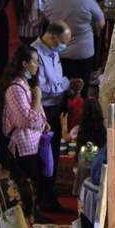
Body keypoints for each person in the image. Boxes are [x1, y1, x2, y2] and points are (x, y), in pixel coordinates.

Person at [31, 20, 78, 212]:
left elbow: (56, 79)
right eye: (63, 42)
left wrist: (67, 86)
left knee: (53, 156)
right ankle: (42, 199)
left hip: (56, 107)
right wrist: (64, 85)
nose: (64, 46)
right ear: (52, 37)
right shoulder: (35, 54)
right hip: (44, 111)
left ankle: (50, 196)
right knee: (44, 157)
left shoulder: (53, 51)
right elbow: (40, 87)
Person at [0, 45, 47, 198]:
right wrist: (38, 98)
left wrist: (43, 121)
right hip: (23, 147)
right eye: (35, 62)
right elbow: (27, 121)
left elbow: (36, 115)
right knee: (24, 189)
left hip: (33, 144)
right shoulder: (15, 89)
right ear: (24, 64)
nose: (38, 65)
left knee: (34, 187)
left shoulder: (27, 85)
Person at [43, 0, 104, 80]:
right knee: (82, 86)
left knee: (61, 87)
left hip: (59, 53)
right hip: (83, 52)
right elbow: (101, 23)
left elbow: (47, 20)